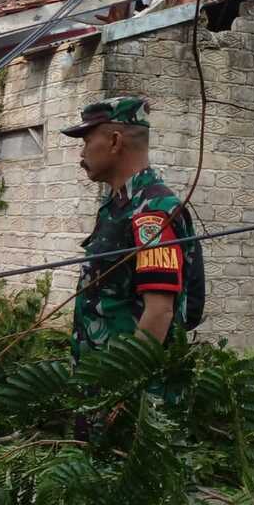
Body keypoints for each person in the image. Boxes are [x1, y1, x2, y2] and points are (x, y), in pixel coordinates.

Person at [62, 96, 204, 366]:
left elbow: (159, 312)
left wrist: (121, 391)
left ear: (115, 141)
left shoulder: (151, 211)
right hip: (98, 378)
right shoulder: (117, 205)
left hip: (126, 394)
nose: (81, 154)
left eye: (87, 141)